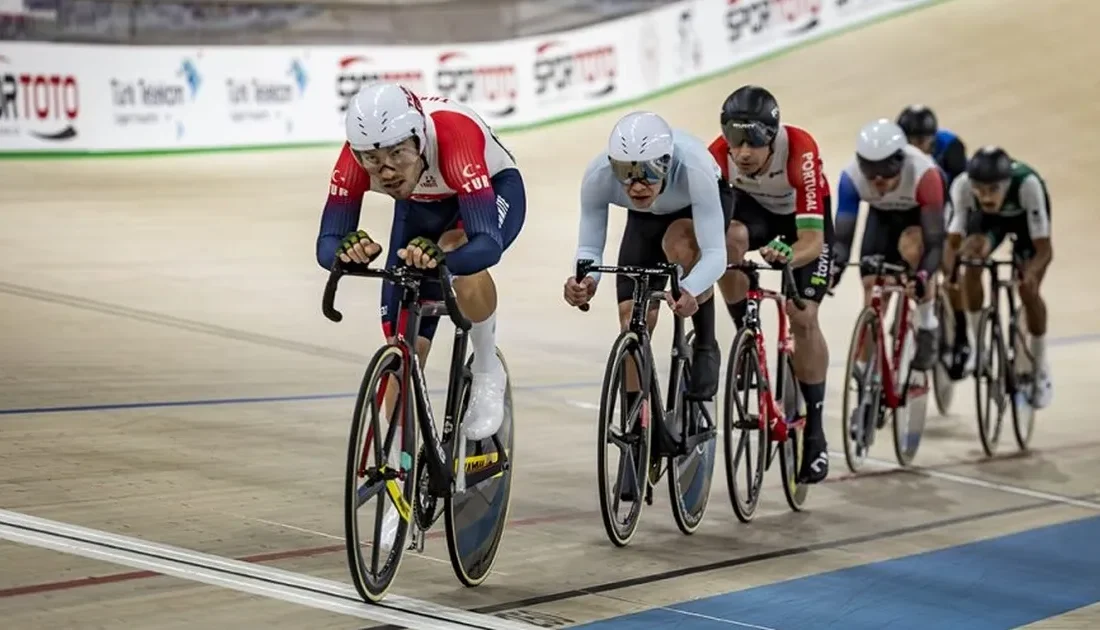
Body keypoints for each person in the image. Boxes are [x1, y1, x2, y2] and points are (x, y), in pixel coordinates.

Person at [315, 82, 526, 444]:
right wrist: (348, 251)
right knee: (402, 355)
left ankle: (488, 368)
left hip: (488, 190)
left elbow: (487, 244)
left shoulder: (453, 138)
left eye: (399, 154)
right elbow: (327, 243)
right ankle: (401, 473)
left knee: (456, 250)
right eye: (374, 162)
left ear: (419, 139)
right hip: (419, 207)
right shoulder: (355, 158)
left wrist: (443, 258)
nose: (388, 171)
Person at [706, 84, 834, 484]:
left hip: (801, 223)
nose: (742, 152)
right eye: (735, 141)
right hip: (756, 215)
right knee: (727, 242)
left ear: (772, 137)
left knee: (803, 314)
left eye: (754, 142)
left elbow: (812, 242)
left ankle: (814, 428)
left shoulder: (800, 149)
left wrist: (789, 258)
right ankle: (746, 329)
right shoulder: (718, 155)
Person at [563, 110, 730, 412]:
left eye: (649, 171)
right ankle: (637, 422)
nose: (637, 184)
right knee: (632, 322)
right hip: (645, 219)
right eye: (625, 172)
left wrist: (690, 288)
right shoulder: (598, 176)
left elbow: (716, 255)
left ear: (666, 163)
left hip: (694, 209)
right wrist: (586, 280)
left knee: (681, 245)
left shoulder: (694, 168)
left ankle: (706, 344)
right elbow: (589, 246)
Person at [942, 146, 1053, 408]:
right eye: (980, 189)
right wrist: (951, 274)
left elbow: (1044, 250)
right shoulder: (962, 186)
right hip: (988, 225)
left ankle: (1039, 367)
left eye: (993, 189)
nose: (986, 196)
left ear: (1006, 183)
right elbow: (953, 241)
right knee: (971, 259)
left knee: (1029, 291)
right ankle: (979, 348)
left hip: (1025, 222)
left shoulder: (1028, 184)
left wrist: (1032, 275)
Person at [832, 118, 946, 372]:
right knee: (872, 287)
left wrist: (922, 276)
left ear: (900, 162)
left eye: (886, 172)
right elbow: (842, 240)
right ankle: (866, 375)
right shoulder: (851, 177)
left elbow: (935, 243)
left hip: (919, 219)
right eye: (871, 173)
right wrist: (834, 271)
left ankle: (927, 324)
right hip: (881, 220)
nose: (879, 180)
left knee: (914, 248)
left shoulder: (924, 174)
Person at [896, 104, 967, 185]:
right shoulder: (896, 149)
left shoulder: (951, 147)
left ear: (933, 138)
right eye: (909, 142)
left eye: (920, 141)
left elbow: (961, 185)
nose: (914, 148)